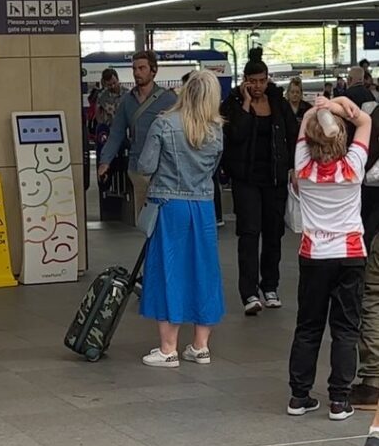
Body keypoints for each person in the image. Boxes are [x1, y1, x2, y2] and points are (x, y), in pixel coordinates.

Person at [287, 96, 370, 423]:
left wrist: (320, 106)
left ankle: (299, 395)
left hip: (313, 255)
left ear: (309, 138)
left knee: (308, 326)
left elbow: (308, 118)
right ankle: (339, 400)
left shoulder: (303, 167)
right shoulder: (353, 167)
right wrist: (341, 102)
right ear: (342, 140)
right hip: (350, 255)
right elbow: (365, 122)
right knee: (345, 329)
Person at [135, 71, 226, 367]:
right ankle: (200, 346)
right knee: (204, 272)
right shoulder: (217, 130)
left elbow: (145, 165)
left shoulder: (164, 123)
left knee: (167, 271)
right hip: (203, 207)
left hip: (170, 205)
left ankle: (168, 348)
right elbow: (213, 170)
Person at [220, 60, 299, 315]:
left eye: (261, 80)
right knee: (249, 234)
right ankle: (250, 292)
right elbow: (236, 135)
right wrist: (244, 104)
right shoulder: (232, 104)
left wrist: (295, 166)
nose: (257, 86)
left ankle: (270, 286)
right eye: (251, 81)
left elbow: (294, 135)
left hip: (274, 179)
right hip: (246, 180)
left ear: (268, 79)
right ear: (244, 80)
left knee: (274, 233)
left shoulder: (279, 103)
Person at [97, 51, 178, 222]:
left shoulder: (169, 99)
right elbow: (116, 133)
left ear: (153, 71)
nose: (136, 72)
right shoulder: (127, 101)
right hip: (138, 168)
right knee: (145, 221)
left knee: (165, 220)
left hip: (164, 168)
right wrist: (105, 162)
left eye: (142, 68)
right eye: (134, 68)